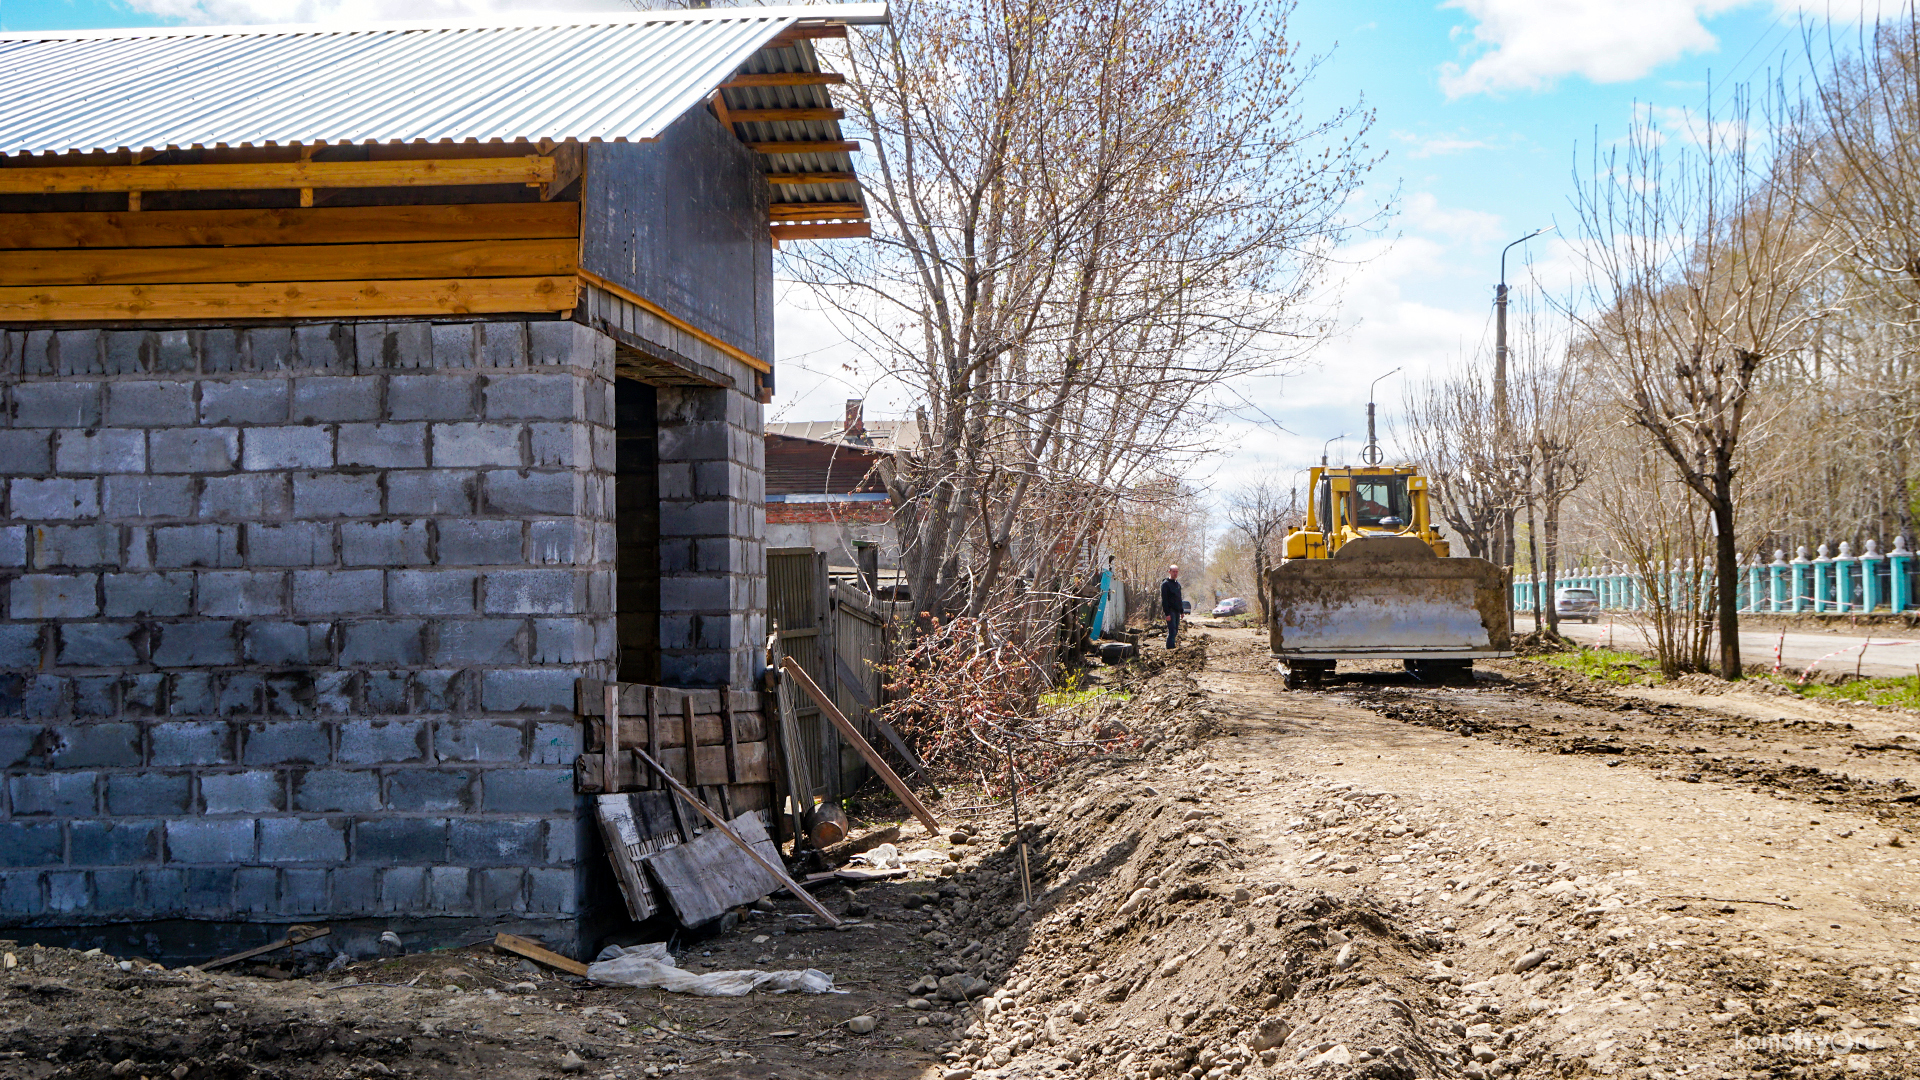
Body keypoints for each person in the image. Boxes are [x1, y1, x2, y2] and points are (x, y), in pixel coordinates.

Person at [1160, 564, 1183, 649]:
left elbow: (1179, 598)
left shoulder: (1178, 584)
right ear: (1169, 572)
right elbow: (1164, 600)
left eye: (1177, 572)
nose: (1175, 573)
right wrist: (1167, 614)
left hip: (1177, 611)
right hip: (1170, 611)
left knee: (1175, 631)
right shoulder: (1165, 584)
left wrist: (1182, 611)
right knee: (1172, 630)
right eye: (1174, 572)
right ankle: (1170, 648)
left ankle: (1172, 647)